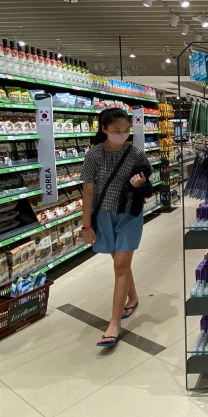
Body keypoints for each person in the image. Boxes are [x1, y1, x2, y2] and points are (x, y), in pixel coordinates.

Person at [80, 108, 153, 347]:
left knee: (120, 264)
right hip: (103, 215)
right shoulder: (93, 155)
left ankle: (113, 322)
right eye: (116, 131)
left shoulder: (136, 154)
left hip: (130, 213)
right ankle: (132, 297)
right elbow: (88, 191)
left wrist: (141, 183)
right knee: (119, 261)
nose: (121, 135)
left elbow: (147, 185)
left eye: (125, 131)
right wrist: (86, 226)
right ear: (104, 130)